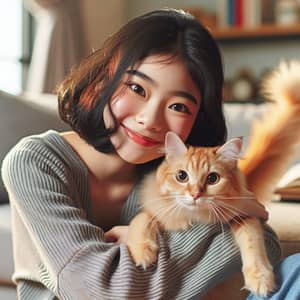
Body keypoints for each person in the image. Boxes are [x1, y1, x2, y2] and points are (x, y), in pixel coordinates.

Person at [1, 8, 284, 300]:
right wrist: (229, 223)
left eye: (178, 107)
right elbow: (98, 291)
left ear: (196, 120)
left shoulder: (171, 174)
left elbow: (267, 243)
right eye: (137, 88)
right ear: (102, 82)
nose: (150, 120)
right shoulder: (33, 162)